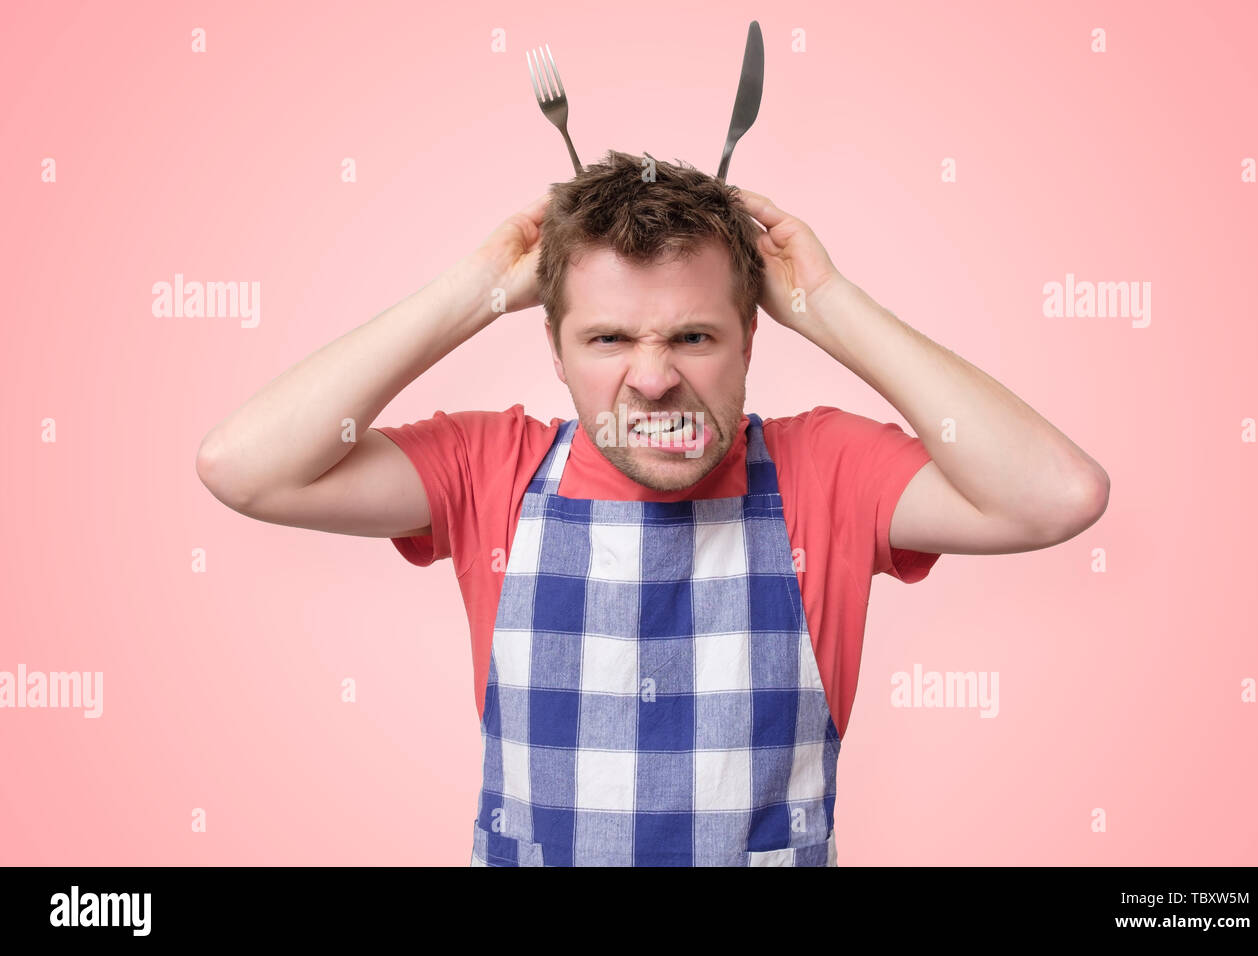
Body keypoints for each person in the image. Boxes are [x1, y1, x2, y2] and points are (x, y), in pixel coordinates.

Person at [196, 149, 1109, 866]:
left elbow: (1056, 497)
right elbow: (246, 468)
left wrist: (829, 305)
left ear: (754, 334)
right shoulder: (490, 469)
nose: (653, 377)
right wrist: (472, 293)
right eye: (607, 337)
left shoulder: (824, 472)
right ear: (553, 349)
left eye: (694, 335)